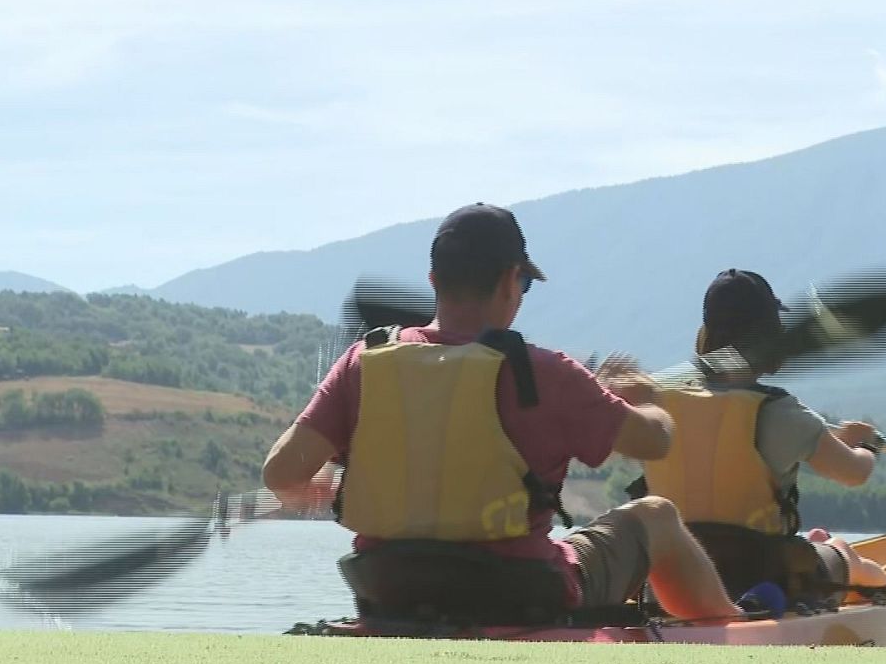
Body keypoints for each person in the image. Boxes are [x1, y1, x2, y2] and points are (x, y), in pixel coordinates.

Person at [261, 202, 742, 625]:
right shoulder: (544, 372)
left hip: (390, 587)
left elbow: (280, 474)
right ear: (513, 280)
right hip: (519, 592)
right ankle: (734, 629)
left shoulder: (363, 363)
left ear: (434, 281)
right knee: (655, 515)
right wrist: (647, 396)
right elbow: (654, 442)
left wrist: (337, 486)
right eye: (525, 285)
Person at [628, 268, 886, 607]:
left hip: (671, 586)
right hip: (763, 581)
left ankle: (825, 553)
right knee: (844, 553)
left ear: (705, 335)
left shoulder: (654, 406)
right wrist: (866, 446)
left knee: (819, 551)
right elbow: (854, 473)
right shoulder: (780, 413)